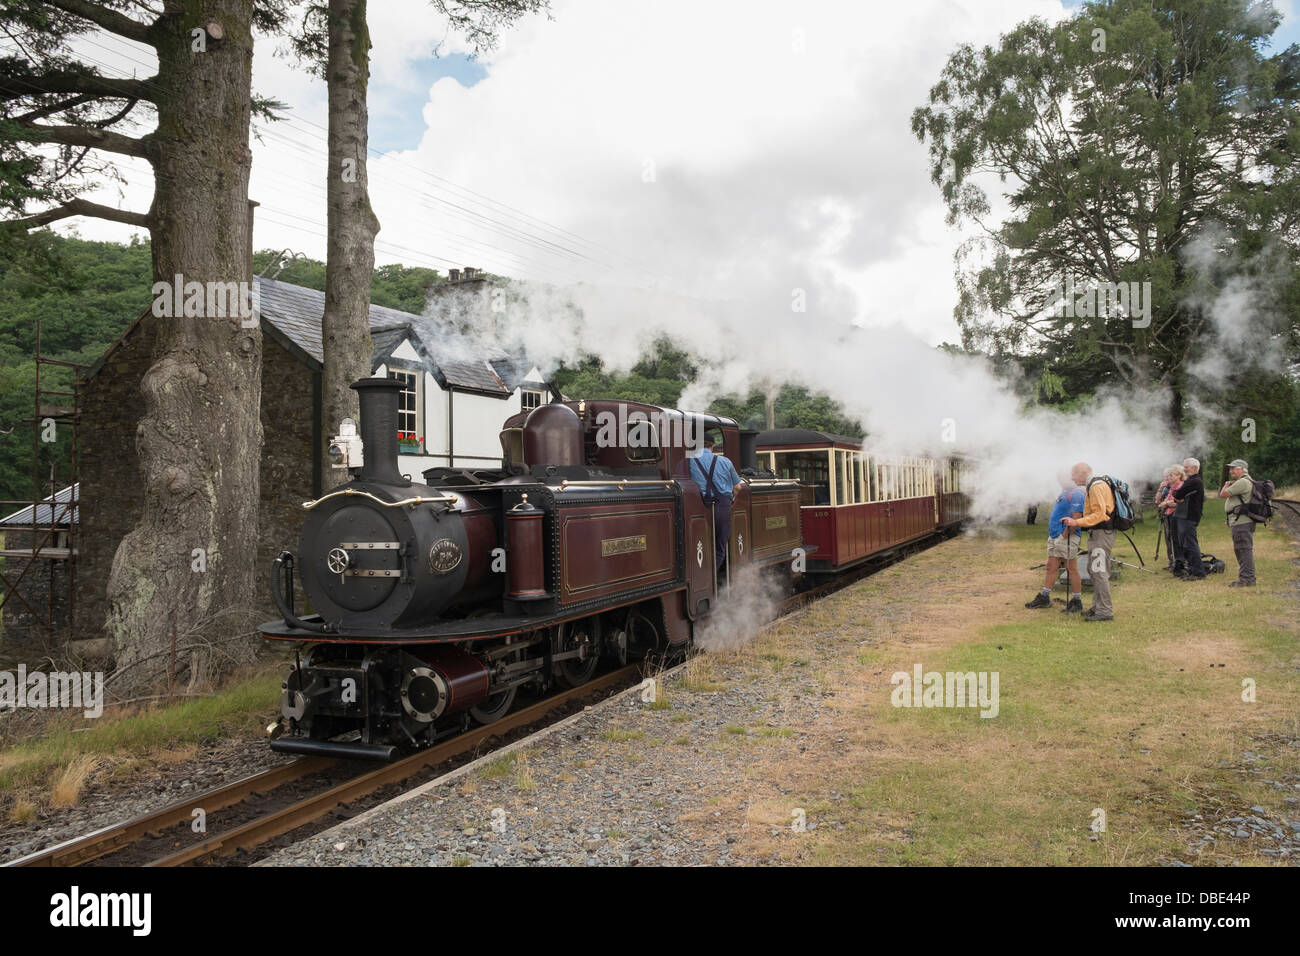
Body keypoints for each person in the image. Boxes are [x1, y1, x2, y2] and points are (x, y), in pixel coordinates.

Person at [1062, 461, 1115, 622]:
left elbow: (1100, 514)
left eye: (1073, 474)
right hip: (1098, 532)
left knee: (1099, 571)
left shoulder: (1096, 486)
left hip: (1101, 533)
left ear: (1083, 472)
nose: (1071, 478)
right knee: (1094, 570)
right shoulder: (1094, 484)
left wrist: (1076, 522)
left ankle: (1105, 611)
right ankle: (1097, 607)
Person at [1026, 471, 1084, 613]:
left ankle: (1076, 601)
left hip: (1065, 536)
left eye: (1062, 477)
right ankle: (1044, 597)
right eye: (1058, 477)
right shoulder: (1063, 492)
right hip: (1055, 537)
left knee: (1071, 568)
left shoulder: (1076, 493)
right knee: (1051, 567)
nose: (1059, 480)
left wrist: (1064, 536)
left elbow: (1076, 519)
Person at [689, 434, 742, 571]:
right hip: (722, 507)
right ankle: (712, 577)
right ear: (712, 446)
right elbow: (737, 487)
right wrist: (730, 501)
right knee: (720, 547)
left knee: (699, 545)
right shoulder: (725, 462)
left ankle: (702, 577)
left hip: (697, 508)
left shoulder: (689, 462)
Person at [1219, 458, 1256, 588]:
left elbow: (1223, 494)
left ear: (1242, 469)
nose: (1230, 471)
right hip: (1240, 520)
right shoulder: (1244, 481)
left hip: (1242, 522)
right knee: (1241, 549)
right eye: (1230, 468)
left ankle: (1247, 579)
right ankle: (1247, 578)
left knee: (1243, 550)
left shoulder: (1242, 482)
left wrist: (1226, 485)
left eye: (1233, 468)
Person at [1171, 457, 1206, 581]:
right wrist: (1177, 496)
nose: (1184, 469)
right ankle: (1191, 569)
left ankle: (1198, 572)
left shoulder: (1194, 481)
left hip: (1188, 516)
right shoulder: (1191, 481)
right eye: (1184, 467)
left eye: (1187, 467)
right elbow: (1177, 494)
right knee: (1185, 544)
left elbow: (1178, 494)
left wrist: (1178, 496)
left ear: (1195, 468)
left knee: (1190, 544)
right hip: (1185, 516)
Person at [1158, 464, 1186, 573]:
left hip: (1177, 515)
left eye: (1171, 475)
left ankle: (1181, 563)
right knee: (1172, 540)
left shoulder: (1181, 486)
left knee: (1178, 540)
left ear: (1179, 475)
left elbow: (1179, 502)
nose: (1169, 477)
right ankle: (1175, 562)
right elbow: (1166, 500)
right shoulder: (1173, 486)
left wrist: (1167, 504)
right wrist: (1166, 503)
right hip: (1170, 515)